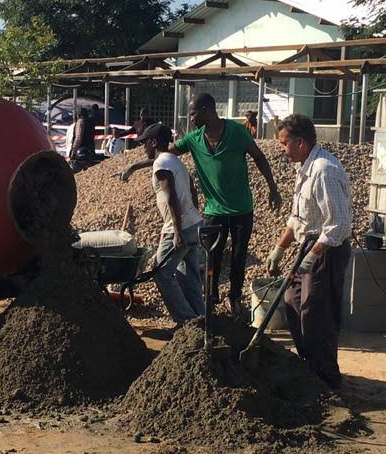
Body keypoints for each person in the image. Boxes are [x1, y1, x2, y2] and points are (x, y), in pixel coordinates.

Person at [174, 92, 282, 321]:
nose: (191, 119)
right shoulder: (194, 139)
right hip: (213, 212)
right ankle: (210, 300)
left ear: (207, 110)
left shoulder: (236, 132)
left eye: (193, 114)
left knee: (238, 257)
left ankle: (235, 298)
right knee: (211, 257)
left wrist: (273, 189)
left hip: (242, 210)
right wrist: (138, 165)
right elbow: (167, 154)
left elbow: (259, 157)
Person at [266, 113, 353, 391]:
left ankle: (327, 377)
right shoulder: (305, 168)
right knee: (292, 300)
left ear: (301, 143)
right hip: (309, 246)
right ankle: (308, 366)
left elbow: (338, 225)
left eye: (284, 143)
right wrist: (279, 249)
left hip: (327, 251)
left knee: (315, 311)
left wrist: (312, 256)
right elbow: (297, 218)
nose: (282, 149)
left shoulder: (324, 171)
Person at [120, 122, 203, 324]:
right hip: (193, 223)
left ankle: (187, 321)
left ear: (154, 142)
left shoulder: (161, 165)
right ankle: (201, 319)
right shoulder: (175, 162)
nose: (143, 147)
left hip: (179, 227)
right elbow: (193, 191)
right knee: (188, 273)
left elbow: (171, 197)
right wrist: (192, 215)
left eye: (145, 143)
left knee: (161, 272)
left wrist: (177, 231)